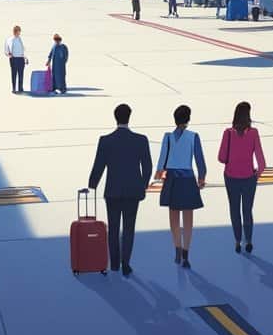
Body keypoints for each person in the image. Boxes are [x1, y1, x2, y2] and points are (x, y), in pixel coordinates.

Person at [87, 104, 152, 276]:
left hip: (113, 191)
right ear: (129, 117)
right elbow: (147, 167)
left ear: (115, 117)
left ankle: (114, 263)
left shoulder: (105, 140)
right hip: (133, 191)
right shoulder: (141, 140)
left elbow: (98, 166)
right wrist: (142, 185)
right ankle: (126, 263)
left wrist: (92, 184)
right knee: (129, 228)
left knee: (113, 228)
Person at [155, 105, 206, 268]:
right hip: (188, 178)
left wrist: (158, 173)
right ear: (188, 119)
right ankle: (186, 252)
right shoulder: (193, 137)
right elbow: (199, 159)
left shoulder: (167, 137)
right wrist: (202, 177)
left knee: (174, 217)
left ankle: (176, 248)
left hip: (172, 179)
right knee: (188, 219)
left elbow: (162, 158)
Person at [218, 102, 266, 254]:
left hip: (231, 176)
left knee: (234, 209)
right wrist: (255, 175)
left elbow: (221, 157)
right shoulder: (253, 133)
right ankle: (249, 240)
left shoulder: (228, 133)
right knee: (247, 209)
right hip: (248, 178)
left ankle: (237, 240)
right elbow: (262, 162)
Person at [4, 25, 27, 94]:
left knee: (21, 74)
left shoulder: (20, 39)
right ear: (14, 32)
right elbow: (6, 49)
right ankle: (14, 88)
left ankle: (20, 88)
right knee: (14, 74)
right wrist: (9, 55)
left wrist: (25, 57)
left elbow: (22, 49)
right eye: (18, 31)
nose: (19, 33)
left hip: (21, 59)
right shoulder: (10, 39)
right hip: (14, 59)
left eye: (19, 31)